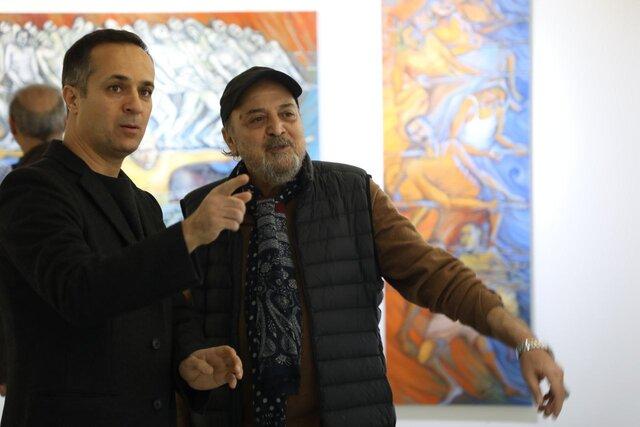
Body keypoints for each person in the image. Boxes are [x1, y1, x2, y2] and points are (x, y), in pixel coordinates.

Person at [179, 66, 568, 426]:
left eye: (287, 114)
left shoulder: (352, 194)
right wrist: (190, 360)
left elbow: (437, 275)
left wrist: (525, 341)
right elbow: (181, 321)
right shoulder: (201, 211)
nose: (277, 128)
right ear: (230, 138)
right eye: (257, 119)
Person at [0, 29, 250, 426]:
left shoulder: (143, 202)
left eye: (145, 91)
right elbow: (79, 292)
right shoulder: (32, 189)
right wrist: (188, 234)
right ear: (73, 99)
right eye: (116, 87)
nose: (135, 104)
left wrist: (189, 357)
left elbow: (166, 305)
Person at [0, 83, 66, 397]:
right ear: (66, 120)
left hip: (27, 363)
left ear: (13, 126)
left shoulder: (14, 189)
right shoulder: (92, 180)